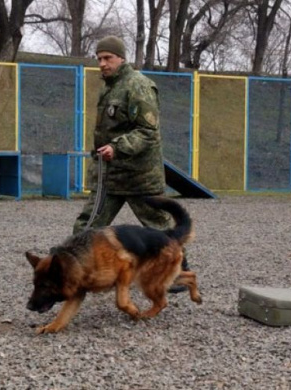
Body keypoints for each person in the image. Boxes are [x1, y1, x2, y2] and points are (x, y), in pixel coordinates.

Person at [72, 35, 190, 293]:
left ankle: (179, 273)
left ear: (121, 58)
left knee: (158, 226)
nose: (102, 64)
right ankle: (71, 268)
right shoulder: (110, 87)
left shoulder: (138, 86)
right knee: (88, 224)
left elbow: (148, 131)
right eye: (99, 58)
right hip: (112, 176)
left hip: (139, 176)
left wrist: (118, 147)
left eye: (108, 58)